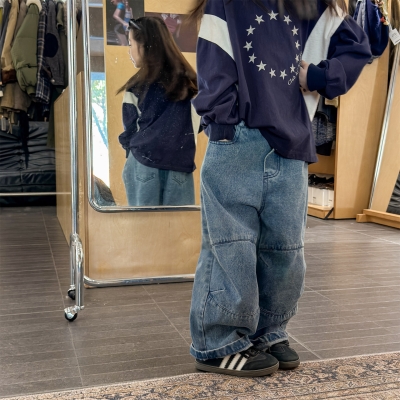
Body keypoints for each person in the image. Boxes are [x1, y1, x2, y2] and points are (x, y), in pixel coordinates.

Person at [189, 0, 371, 377]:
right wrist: (222, 126)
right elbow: (214, 56)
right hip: (236, 138)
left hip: (293, 143)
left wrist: (319, 77)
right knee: (231, 246)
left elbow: (358, 48)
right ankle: (218, 343)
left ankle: (268, 331)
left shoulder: (316, 6)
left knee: (285, 250)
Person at [118, 17, 198, 206]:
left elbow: (130, 130)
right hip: (180, 165)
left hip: (142, 163)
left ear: (144, 45)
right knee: (179, 225)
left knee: (144, 224)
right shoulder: (190, 84)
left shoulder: (136, 86)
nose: (129, 50)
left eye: (130, 43)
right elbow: (199, 124)